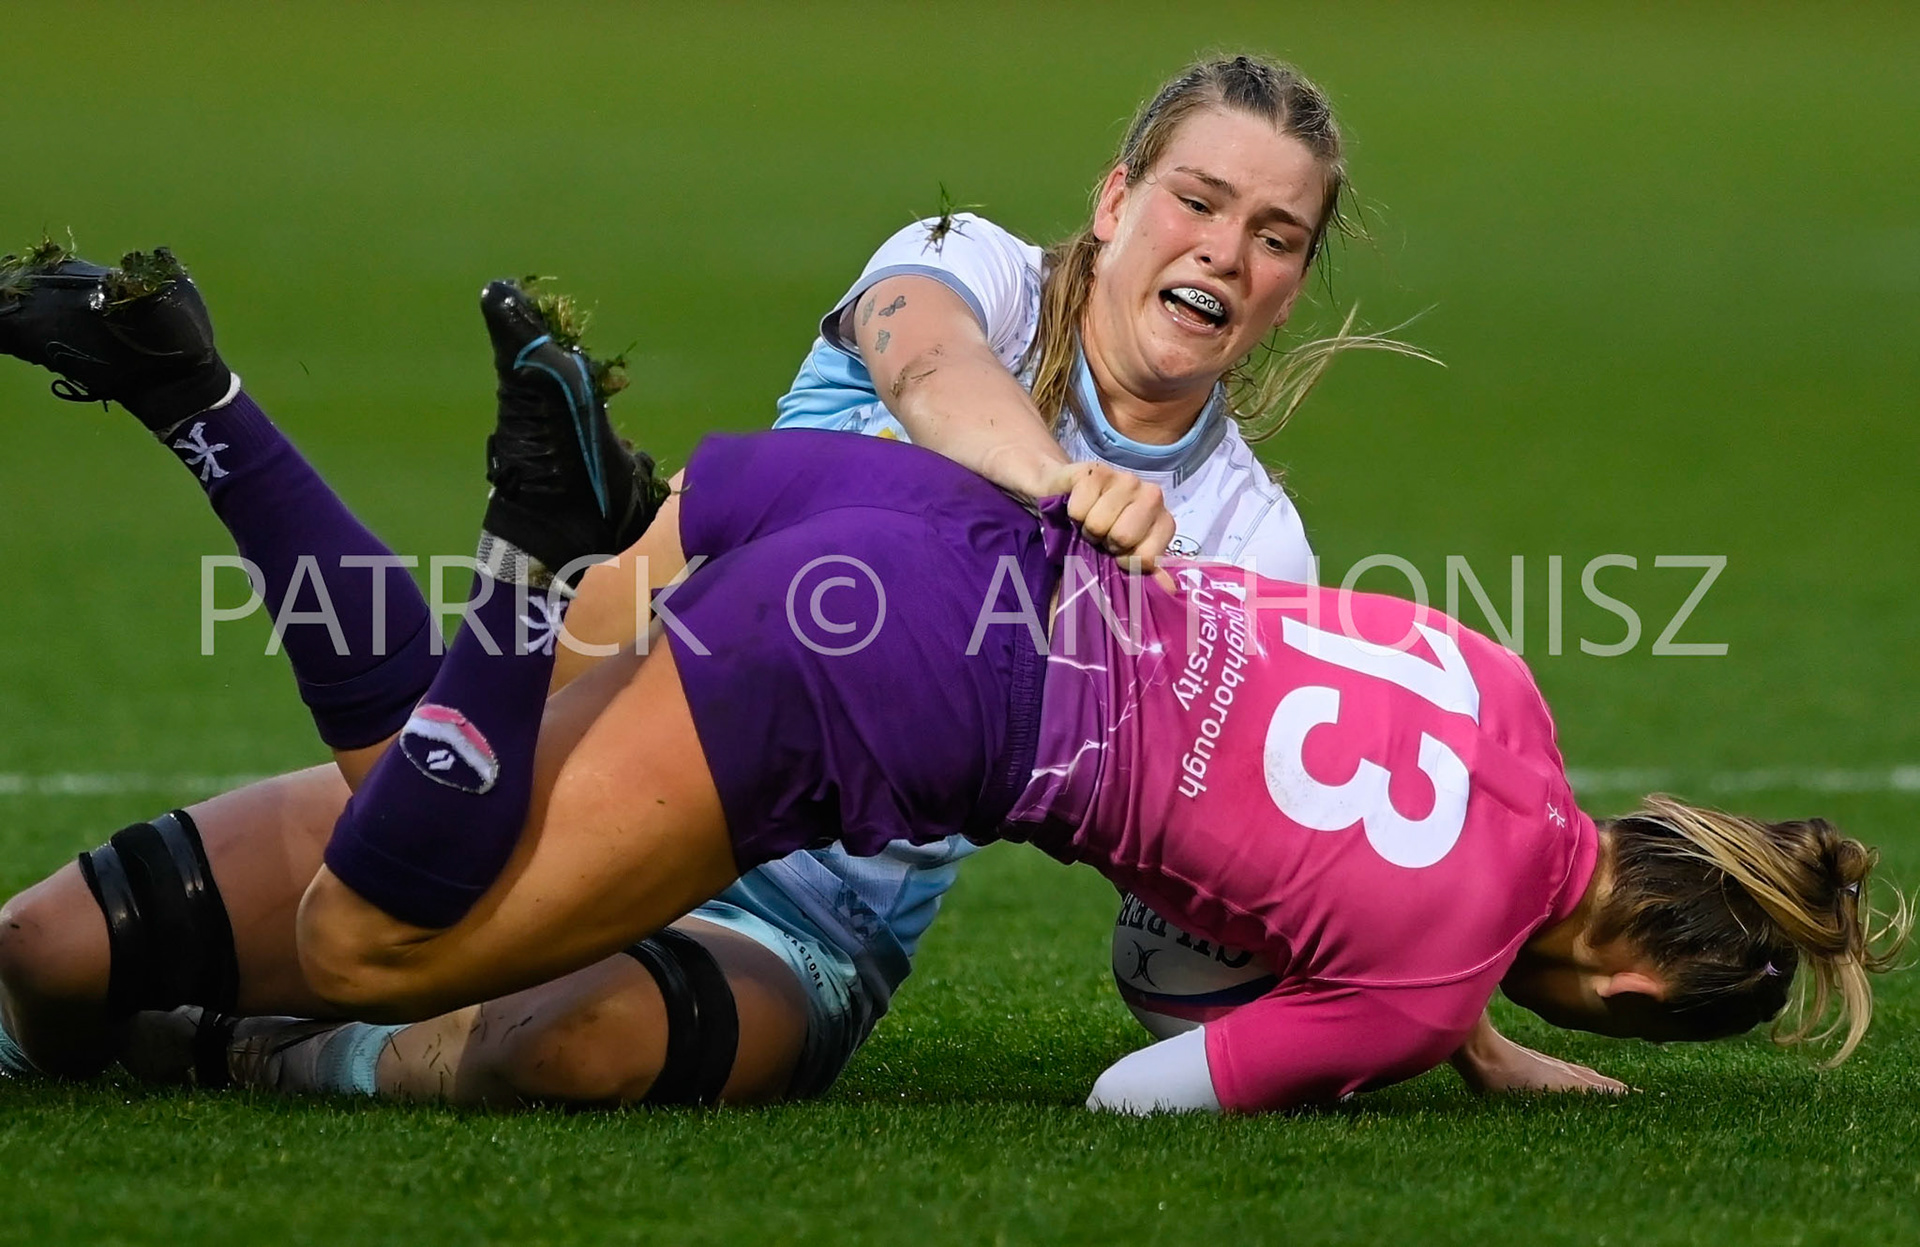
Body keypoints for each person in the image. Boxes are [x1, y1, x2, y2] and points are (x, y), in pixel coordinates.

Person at [0, 240, 1905, 1113]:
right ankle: (530, 554)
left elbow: (1316, 711)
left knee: (417, 769)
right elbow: (1148, 1078)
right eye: (1210, 212)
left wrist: (1447, 983)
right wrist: (1430, 1019)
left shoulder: (1496, 682)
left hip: (907, 533)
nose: (1230, 259)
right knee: (367, 943)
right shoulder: (979, 277)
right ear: (1640, 975)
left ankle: (205, 400)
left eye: (1273, 239)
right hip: (919, 687)